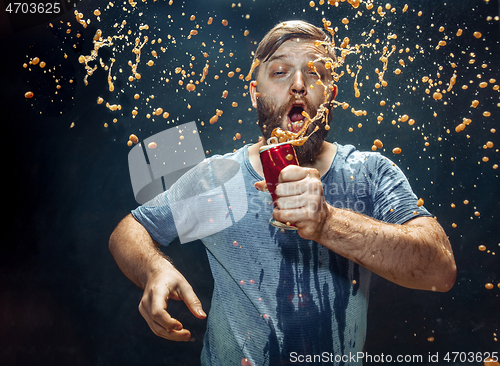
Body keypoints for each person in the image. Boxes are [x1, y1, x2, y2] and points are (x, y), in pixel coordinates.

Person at [109, 20, 456, 365]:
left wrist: (327, 222)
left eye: (316, 73)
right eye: (279, 72)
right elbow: (129, 230)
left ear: (331, 94)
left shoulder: (368, 172)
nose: (299, 85)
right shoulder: (219, 179)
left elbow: (440, 271)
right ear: (254, 92)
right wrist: (154, 269)